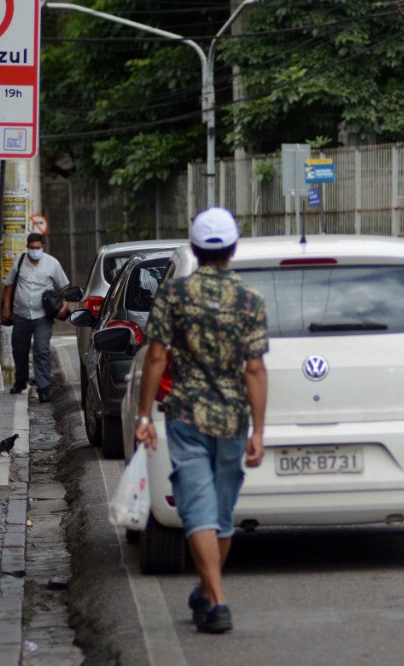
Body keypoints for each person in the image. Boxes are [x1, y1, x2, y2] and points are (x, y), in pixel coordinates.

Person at [134, 208, 267, 635]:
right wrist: (259, 430)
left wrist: (144, 415)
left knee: (199, 511)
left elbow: (156, 357)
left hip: (186, 416)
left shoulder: (174, 295)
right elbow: (255, 369)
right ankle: (212, 596)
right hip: (232, 421)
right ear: (233, 249)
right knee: (221, 515)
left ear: (193, 249)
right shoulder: (250, 300)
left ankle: (214, 597)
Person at [0, 233, 70, 402]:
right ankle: (21, 381)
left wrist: (64, 306)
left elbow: (65, 287)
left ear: (43, 247)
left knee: (41, 350)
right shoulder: (19, 261)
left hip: (42, 316)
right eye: (31, 248)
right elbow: (8, 285)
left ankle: (44, 387)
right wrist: (6, 309)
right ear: (27, 247)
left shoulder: (52, 263)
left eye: (37, 248)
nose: (34, 251)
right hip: (21, 315)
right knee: (19, 350)